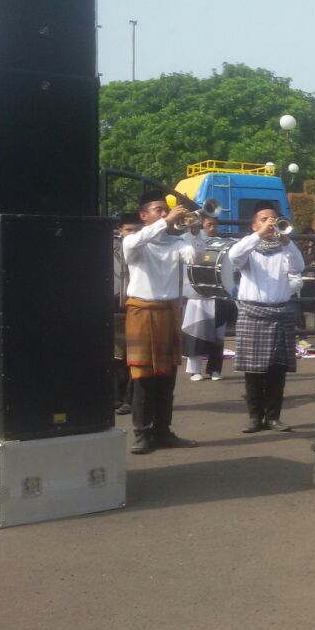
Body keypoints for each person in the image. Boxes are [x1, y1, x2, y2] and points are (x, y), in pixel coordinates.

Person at [122, 191, 198, 454]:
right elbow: (134, 243)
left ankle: (163, 431)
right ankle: (142, 433)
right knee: (143, 377)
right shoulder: (134, 241)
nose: (165, 214)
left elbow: (193, 256)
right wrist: (165, 223)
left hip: (168, 311)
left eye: (166, 210)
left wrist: (192, 227)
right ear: (144, 216)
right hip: (142, 311)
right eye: (158, 209)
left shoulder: (175, 244)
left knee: (167, 377)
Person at [229, 202, 305, 433]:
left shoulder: (284, 248)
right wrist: (258, 235)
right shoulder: (247, 248)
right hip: (254, 312)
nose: (271, 223)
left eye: (274, 219)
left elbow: (299, 266)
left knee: (277, 369)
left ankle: (273, 417)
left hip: (280, 312)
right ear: (254, 225)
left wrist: (287, 241)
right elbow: (233, 257)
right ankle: (255, 417)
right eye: (264, 219)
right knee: (253, 370)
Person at [181, 215, 227, 382]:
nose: (212, 227)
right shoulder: (188, 239)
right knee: (196, 332)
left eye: (215, 224)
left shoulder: (223, 242)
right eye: (209, 224)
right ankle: (194, 370)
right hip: (197, 293)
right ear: (202, 225)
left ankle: (215, 369)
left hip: (218, 293)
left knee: (218, 334)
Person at [113, 213, 141, 416]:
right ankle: (115, 396)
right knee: (115, 356)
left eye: (136, 230)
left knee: (133, 356)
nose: (132, 234)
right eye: (128, 230)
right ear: (120, 231)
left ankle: (129, 399)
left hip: (136, 304)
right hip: (114, 306)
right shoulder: (111, 248)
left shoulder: (143, 248)